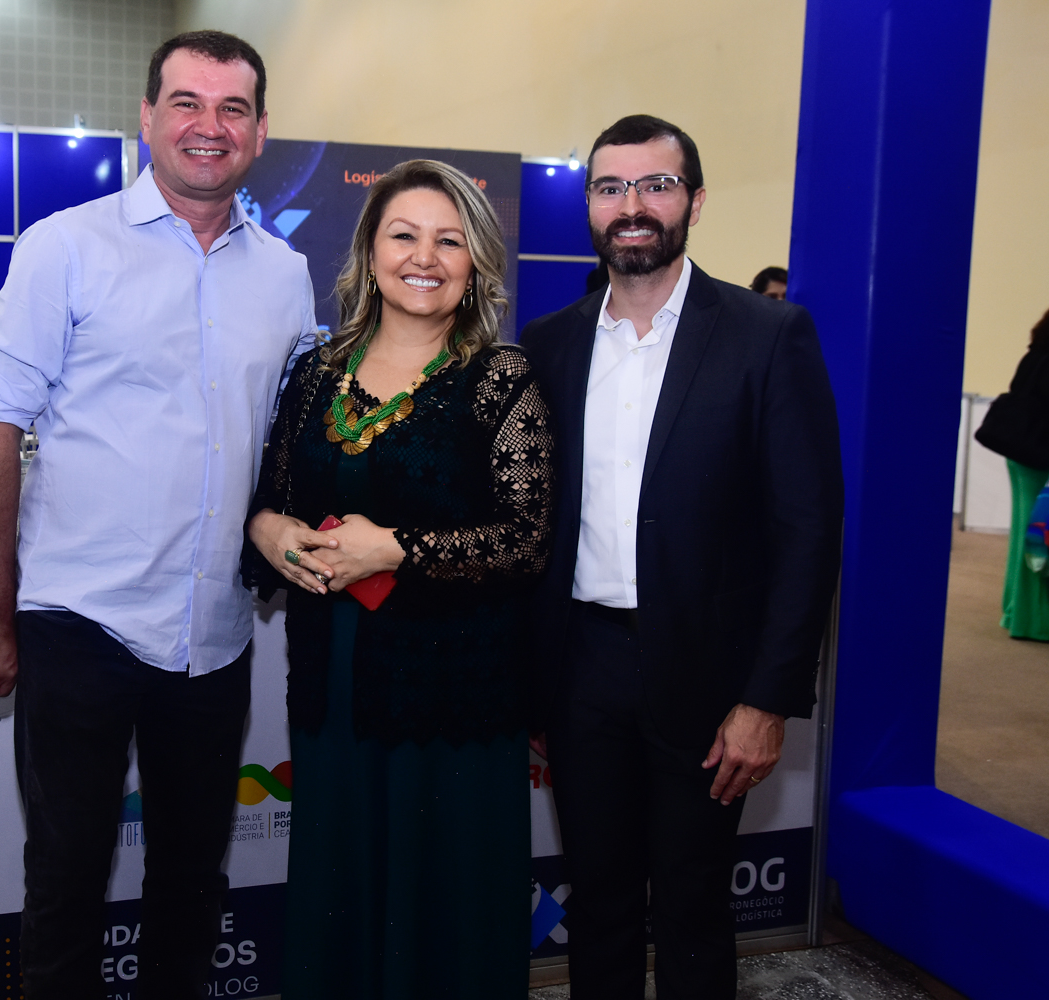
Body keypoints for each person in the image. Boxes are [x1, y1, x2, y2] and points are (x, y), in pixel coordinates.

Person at [0, 30, 316, 1000]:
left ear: (260, 131)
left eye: (232, 108)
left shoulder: (283, 275)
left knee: (192, 879)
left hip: (213, 634)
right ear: (148, 117)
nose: (209, 126)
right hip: (80, 620)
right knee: (66, 877)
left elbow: (295, 437)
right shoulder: (66, 246)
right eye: (186, 103)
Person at [521, 115, 843, 999]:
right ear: (589, 207)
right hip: (580, 669)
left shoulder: (765, 335)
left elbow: (808, 530)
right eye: (609, 187)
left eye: (654, 185)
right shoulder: (546, 345)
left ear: (693, 202)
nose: (631, 205)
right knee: (599, 901)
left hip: (709, 678)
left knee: (694, 906)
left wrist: (767, 700)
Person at [246, 159, 554, 1000]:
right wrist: (268, 530)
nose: (424, 257)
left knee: (446, 904)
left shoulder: (500, 379)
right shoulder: (316, 374)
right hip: (335, 687)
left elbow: (524, 541)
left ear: (475, 262)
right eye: (404, 235)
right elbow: (272, 502)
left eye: (449, 241)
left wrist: (396, 549)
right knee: (341, 888)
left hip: (453, 696)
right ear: (369, 252)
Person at [974, 300, 1049, 641]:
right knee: (1048, 537)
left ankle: (1015, 610)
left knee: (1024, 534)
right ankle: (1037, 622)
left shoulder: (1035, 356)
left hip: (1021, 454)